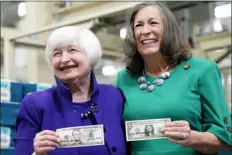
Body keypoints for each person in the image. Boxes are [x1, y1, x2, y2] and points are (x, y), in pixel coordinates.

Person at [115, 2, 232, 155]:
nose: (145, 31)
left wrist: (193, 138)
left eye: (153, 23)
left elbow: (225, 138)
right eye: (138, 25)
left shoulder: (202, 71)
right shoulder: (123, 79)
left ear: (168, 29)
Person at [14, 26, 126, 155]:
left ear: (90, 56)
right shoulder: (34, 104)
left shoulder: (113, 97)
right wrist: (36, 153)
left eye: (72, 50)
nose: (64, 59)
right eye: (57, 54)